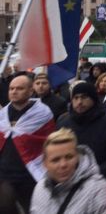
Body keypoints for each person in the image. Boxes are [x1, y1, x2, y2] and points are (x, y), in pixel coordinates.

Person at [0, 75, 55, 212]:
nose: (14, 91)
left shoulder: (42, 113)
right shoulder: (3, 115)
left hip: (31, 175)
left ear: (31, 91)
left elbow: (48, 143)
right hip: (5, 174)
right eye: (12, 88)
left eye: (19, 88)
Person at [57, 81, 106, 183]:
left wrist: (97, 171)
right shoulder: (64, 124)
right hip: (70, 181)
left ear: (93, 99)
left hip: (102, 181)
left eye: (84, 97)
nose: (79, 102)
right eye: (75, 98)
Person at [30, 129, 106, 214]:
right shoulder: (40, 189)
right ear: (45, 164)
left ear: (77, 156)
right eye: (56, 160)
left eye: (69, 157)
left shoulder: (98, 188)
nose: (63, 164)